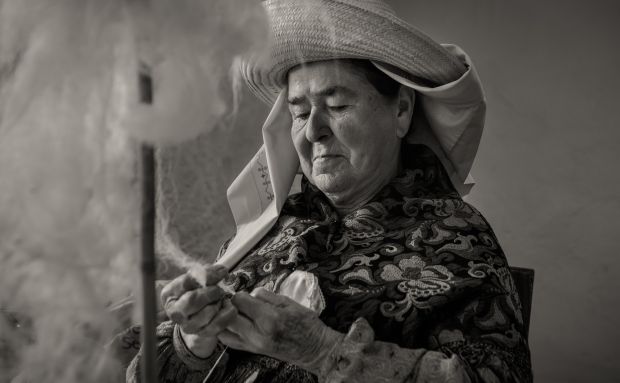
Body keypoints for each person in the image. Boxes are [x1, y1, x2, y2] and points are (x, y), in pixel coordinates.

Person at [124, 0, 533, 381]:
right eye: (300, 112)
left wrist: (323, 350)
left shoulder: (456, 236)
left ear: (402, 111)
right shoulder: (271, 226)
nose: (314, 130)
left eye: (337, 107)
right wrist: (195, 340)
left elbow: (500, 375)